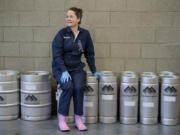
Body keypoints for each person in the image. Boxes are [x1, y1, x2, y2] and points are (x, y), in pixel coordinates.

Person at [52, 7, 102, 132]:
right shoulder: (61, 33)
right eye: (67, 16)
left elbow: (89, 53)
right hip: (61, 68)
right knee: (68, 87)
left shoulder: (85, 34)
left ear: (78, 19)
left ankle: (78, 119)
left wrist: (94, 70)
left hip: (76, 67)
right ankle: (62, 120)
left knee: (79, 87)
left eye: (71, 16)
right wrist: (63, 70)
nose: (68, 18)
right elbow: (56, 55)